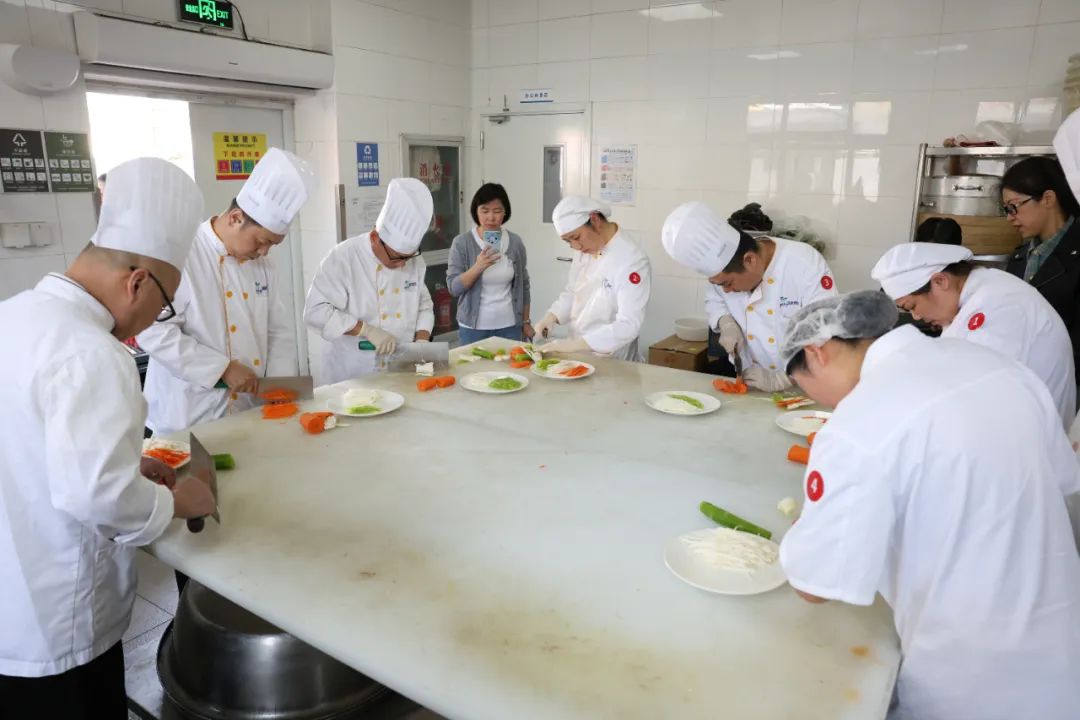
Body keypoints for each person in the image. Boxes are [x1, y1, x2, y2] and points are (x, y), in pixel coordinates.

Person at [776, 290, 1080, 720]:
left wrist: (803, 533)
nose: (821, 403)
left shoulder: (857, 422)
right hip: (1063, 654)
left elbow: (816, 583)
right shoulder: (998, 366)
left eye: (802, 386)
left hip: (970, 679)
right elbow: (1060, 479)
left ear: (816, 353)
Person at [0, 158, 217, 719]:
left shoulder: (14, 317)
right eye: (163, 304)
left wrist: (126, 466)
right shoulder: (93, 353)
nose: (152, 320)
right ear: (137, 281)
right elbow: (97, 497)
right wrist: (178, 501)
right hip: (60, 623)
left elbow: (34, 450)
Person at [138, 148, 315, 435]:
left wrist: (279, 388)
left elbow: (278, 331)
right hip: (187, 414)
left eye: (272, 245)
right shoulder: (182, 253)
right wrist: (221, 369)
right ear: (235, 218)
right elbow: (152, 332)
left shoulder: (263, 265)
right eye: (261, 241)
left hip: (247, 410)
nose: (264, 252)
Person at [872, 242, 1075, 428]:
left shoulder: (999, 303)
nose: (916, 317)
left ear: (940, 281)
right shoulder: (977, 295)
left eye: (912, 306)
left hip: (1029, 434)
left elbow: (976, 389)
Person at [661, 201, 837, 391]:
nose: (726, 291)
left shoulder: (804, 263)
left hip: (804, 387)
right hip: (750, 383)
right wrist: (726, 322)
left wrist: (785, 378)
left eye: (728, 283)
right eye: (719, 284)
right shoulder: (723, 272)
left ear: (750, 260)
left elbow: (825, 333)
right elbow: (715, 299)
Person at [304, 177, 435, 384]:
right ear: (375, 237)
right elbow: (316, 312)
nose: (403, 264)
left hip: (400, 367)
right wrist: (366, 330)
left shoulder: (414, 261)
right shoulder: (344, 257)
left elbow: (424, 306)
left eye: (408, 257)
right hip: (352, 372)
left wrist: (421, 343)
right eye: (397, 257)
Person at [533, 196, 651, 361]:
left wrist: (576, 345)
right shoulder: (586, 249)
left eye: (576, 237)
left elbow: (628, 325)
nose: (576, 246)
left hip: (612, 358)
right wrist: (552, 316)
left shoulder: (632, 260)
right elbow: (573, 291)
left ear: (595, 220)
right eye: (568, 241)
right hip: (578, 351)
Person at [1001, 154, 1080, 391]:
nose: (1010, 218)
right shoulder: (1020, 258)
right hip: (1025, 383)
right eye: (1006, 209)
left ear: (1047, 199)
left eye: (1014, 207)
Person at [447, 183, 532, 344]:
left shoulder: (515, 242)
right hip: (473, 328)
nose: (491, 217)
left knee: (510, 361)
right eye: (485, 211)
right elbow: (454, 288)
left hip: (509, 326)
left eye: (497, 211)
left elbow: (524, 285)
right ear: (476, 211)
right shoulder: (462, 243)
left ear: (505, 212)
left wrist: (526, 322)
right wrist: (477, 267)